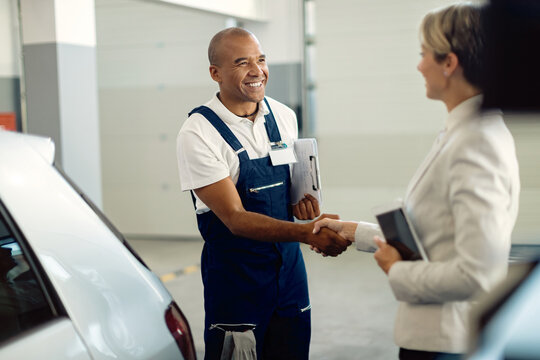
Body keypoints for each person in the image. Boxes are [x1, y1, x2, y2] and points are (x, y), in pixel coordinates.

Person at [313, 3, 520, 359]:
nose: (419, 65)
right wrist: (351, 230)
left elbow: (478, 274)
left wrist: (397, 271)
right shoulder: (463, 133)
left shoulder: (476, 142)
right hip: (434, 339)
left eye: (424, 54)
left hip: (445, 343)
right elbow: (431, 234)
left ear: (449, 63)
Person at [176, 27, 351, 359]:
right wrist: (308, 233)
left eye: (261, 59)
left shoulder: (284, 117)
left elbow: (293, 193)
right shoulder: (198, 133)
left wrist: (303, 206)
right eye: (242, 63)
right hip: (237, 282)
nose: (257, 71)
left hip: (290, 276)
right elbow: (236, 220)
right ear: (216, 73)